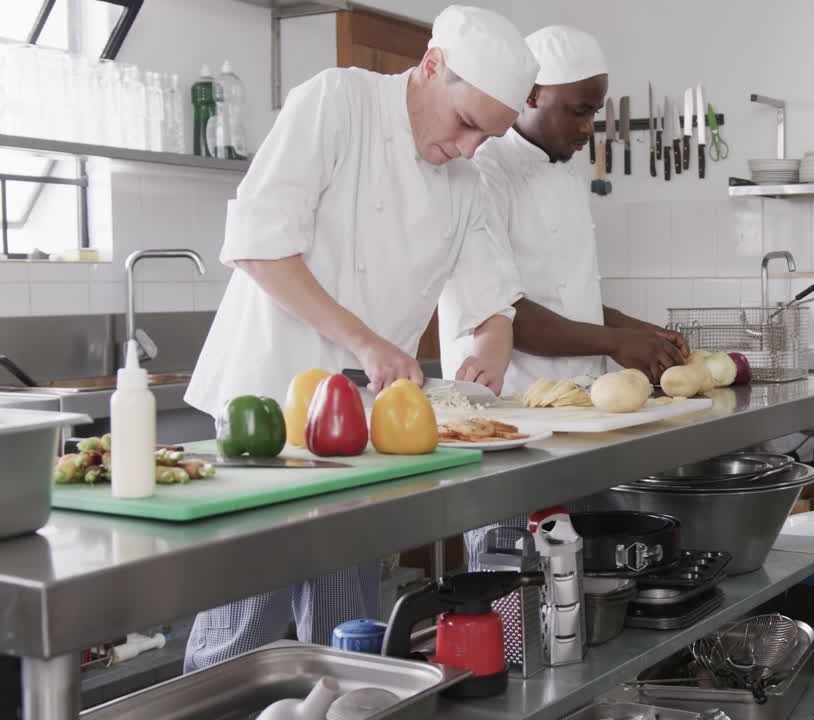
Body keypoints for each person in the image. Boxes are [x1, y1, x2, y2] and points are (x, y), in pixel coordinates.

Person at [180, 5, 539, 671]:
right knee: (243, 636)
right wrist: (369, 344)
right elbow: (260, 248)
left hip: (361, 435)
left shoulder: (463, 179)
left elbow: (491, 305)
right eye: (465, 124)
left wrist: (488, 353)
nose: (467, 150)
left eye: (486, 138)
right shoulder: (336, 102)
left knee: (348, 636)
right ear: (432, 66)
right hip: (267, 422)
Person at [435, 25, 688, 568]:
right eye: (577, 111)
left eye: (595, 112)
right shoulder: (482, 168)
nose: (587, 128)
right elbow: (505, 311)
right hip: (511, 416)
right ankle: (501, 653)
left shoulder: (567, 169)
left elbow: (574, 298)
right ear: (530, 95)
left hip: (579, 416)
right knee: (515, 578)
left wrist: (639, 334)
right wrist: (618, 340)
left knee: (585, 572)